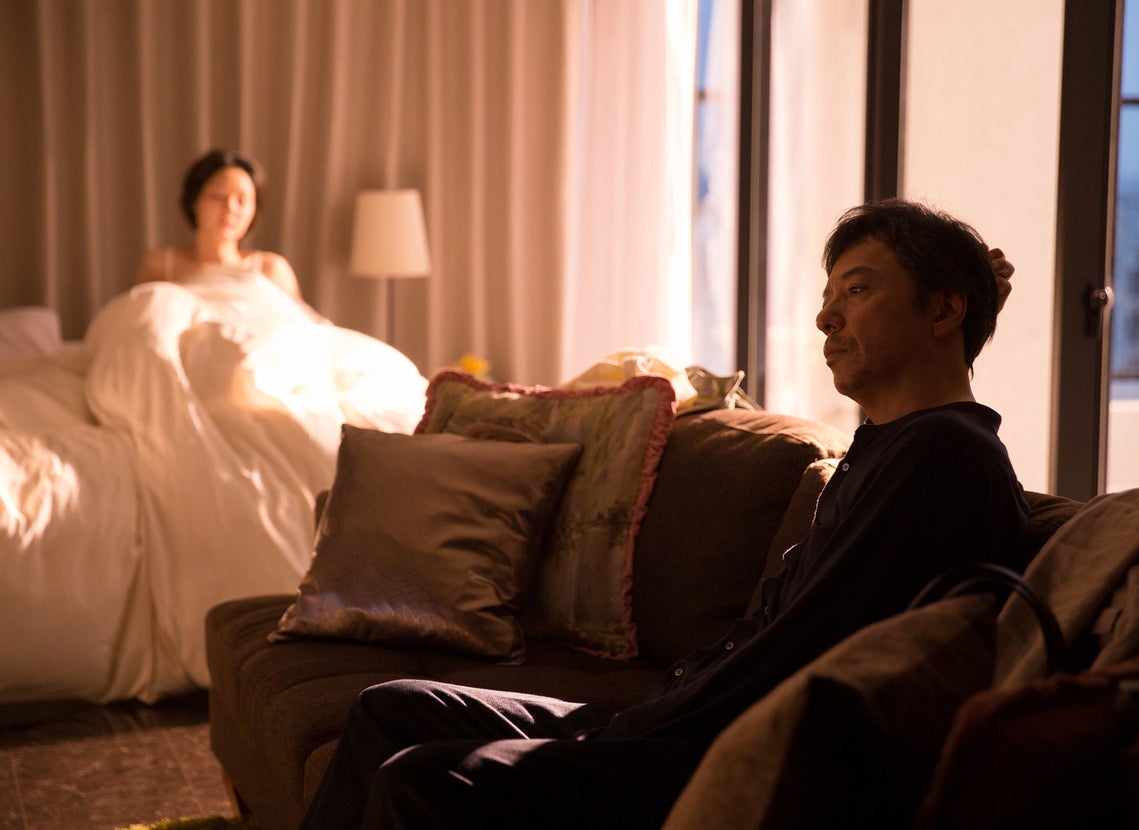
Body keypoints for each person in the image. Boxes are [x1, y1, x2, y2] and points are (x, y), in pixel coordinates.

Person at [299, 198, 1029, 830]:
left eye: (857, 290)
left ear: (943, 309)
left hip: (729, 753)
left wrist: (631, 732)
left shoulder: (941, 456)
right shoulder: (890, 446)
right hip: (681, 719)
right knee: (388, 708)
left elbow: (807, 648)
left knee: (424, 782)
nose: (823, 317)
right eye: (828, 293)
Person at [134, 149, 301, 300]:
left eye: (242, 200)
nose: (230, 208)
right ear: (194, 201)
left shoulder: (272, 270)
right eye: (219, 196)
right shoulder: (159, 267)